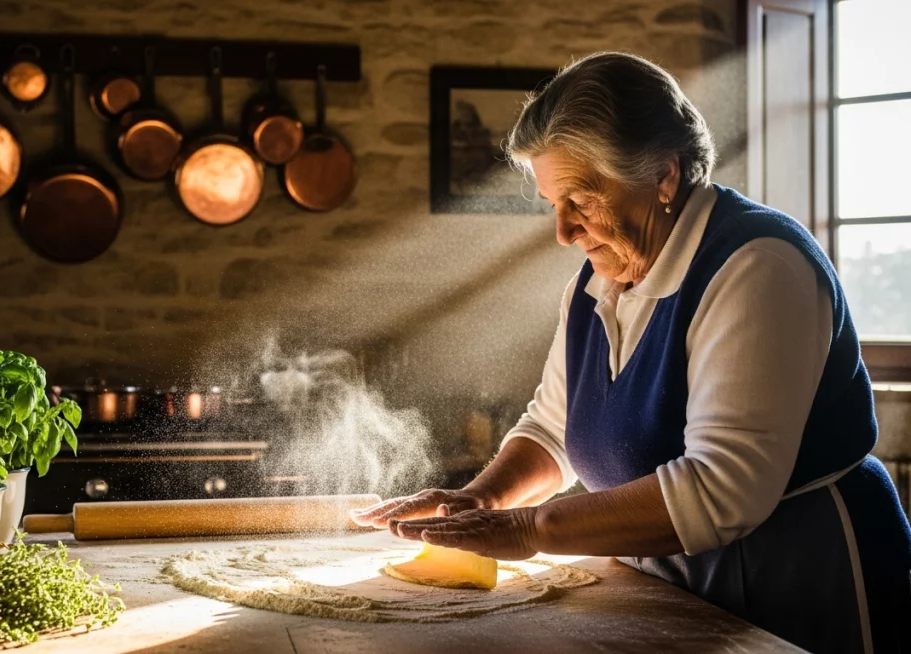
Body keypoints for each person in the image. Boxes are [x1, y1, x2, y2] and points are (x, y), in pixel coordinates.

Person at [351, 52, 911, 653]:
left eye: (581, 199)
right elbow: (552, 427)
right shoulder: (596, 282)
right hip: (672, 579)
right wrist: (479, 499)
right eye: (552, 205)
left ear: (664, 176)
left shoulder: (757, 267)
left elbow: (722, 488)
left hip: (796, 577)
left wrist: (527, 528)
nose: (563, 232)